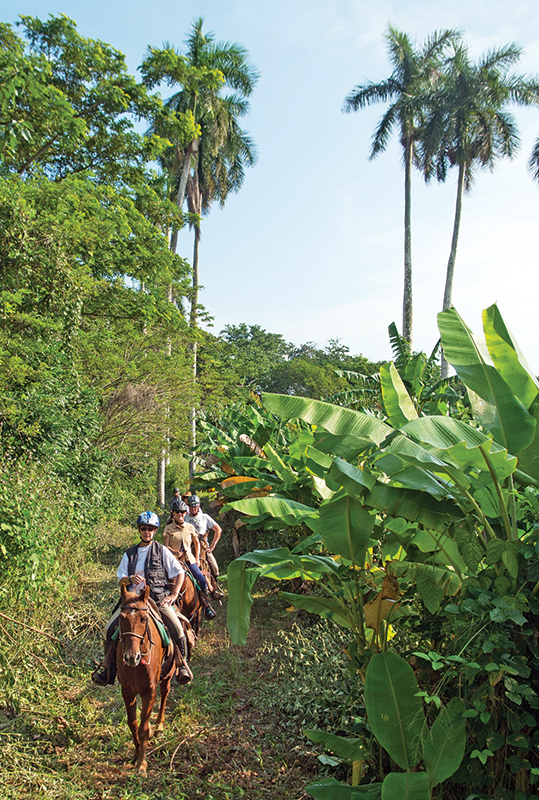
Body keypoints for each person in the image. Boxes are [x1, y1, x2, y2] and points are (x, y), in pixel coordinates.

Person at [92, 511, 192, 686]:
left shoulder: (162, 551)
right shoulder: (129, 554)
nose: (147, 532)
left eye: (151, 529)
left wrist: (174, 594)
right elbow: (120, 578)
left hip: (157, 599)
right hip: (132, 601)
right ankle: (108, 668)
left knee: (177, 628)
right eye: (144, 528)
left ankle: (181, 664)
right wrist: (130, 579)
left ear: (155, 531)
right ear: (139, 530)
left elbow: (180, 573)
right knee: (109, 629)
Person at [163, 500, 217, 620]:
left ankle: (206, 605)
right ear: (173, 513)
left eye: (182, 512)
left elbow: (197, 543)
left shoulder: (190, 527)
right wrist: (175, 552)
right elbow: (165, 546)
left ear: (185, 513)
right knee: (162, 582)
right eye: (178, 512)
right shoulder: (168, 528)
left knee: (202, 580)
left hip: (189, 560)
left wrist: (197, 558)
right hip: (173, 561)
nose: (180, 515)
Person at [185, 495, 224, 598]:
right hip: (189, 548)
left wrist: (212, 545)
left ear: (199, 506)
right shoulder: (185, 518)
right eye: (191, 506)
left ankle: (214, 589)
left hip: (203, 547)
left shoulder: (205, 517)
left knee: (214, 567)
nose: (193, 508)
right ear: (188, 507)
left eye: (195, 506)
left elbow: (218, 530)